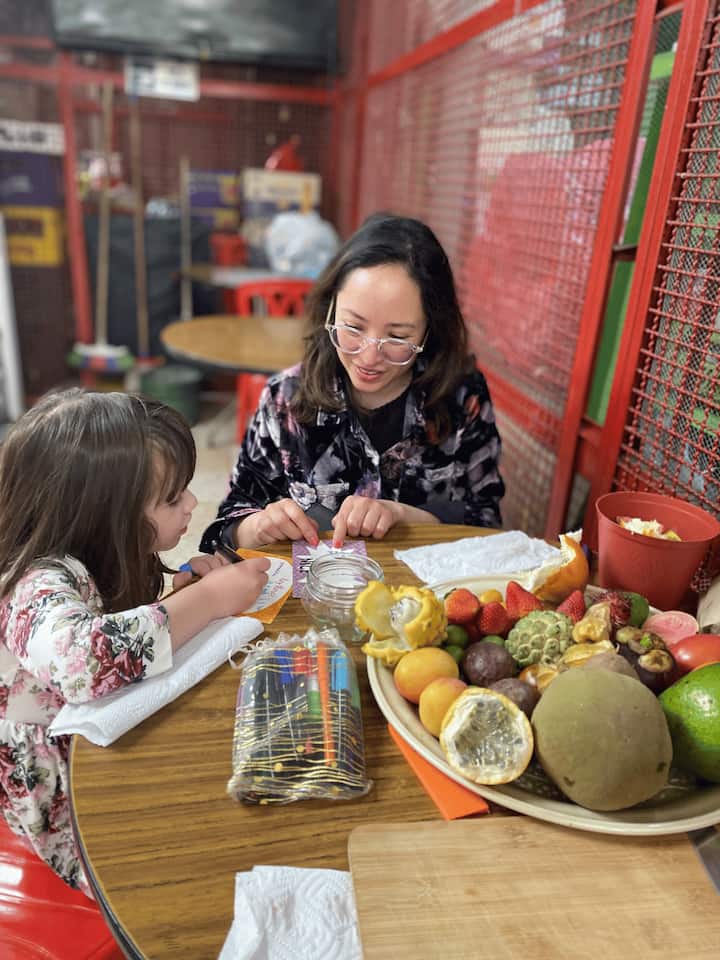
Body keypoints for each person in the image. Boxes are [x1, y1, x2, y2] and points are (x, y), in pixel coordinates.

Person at [0, 389, 269, 896]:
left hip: (101, 738)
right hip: (67, 804)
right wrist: (208, 601)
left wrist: (179, 600)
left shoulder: (104, 551)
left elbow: (115, 625)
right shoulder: (34, 583)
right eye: (172, 498)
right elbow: (83, 663)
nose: (192, 504)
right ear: (103, 513)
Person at [200, 212, 505, 553]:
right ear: (330, 310)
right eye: (354, 327)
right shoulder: (286, 399)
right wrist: (256, 526)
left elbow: (487, 524)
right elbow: (226, 527)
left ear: (430, 330)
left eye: (398, 336)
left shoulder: (461, 397)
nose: (369, 357)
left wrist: (404, 516)